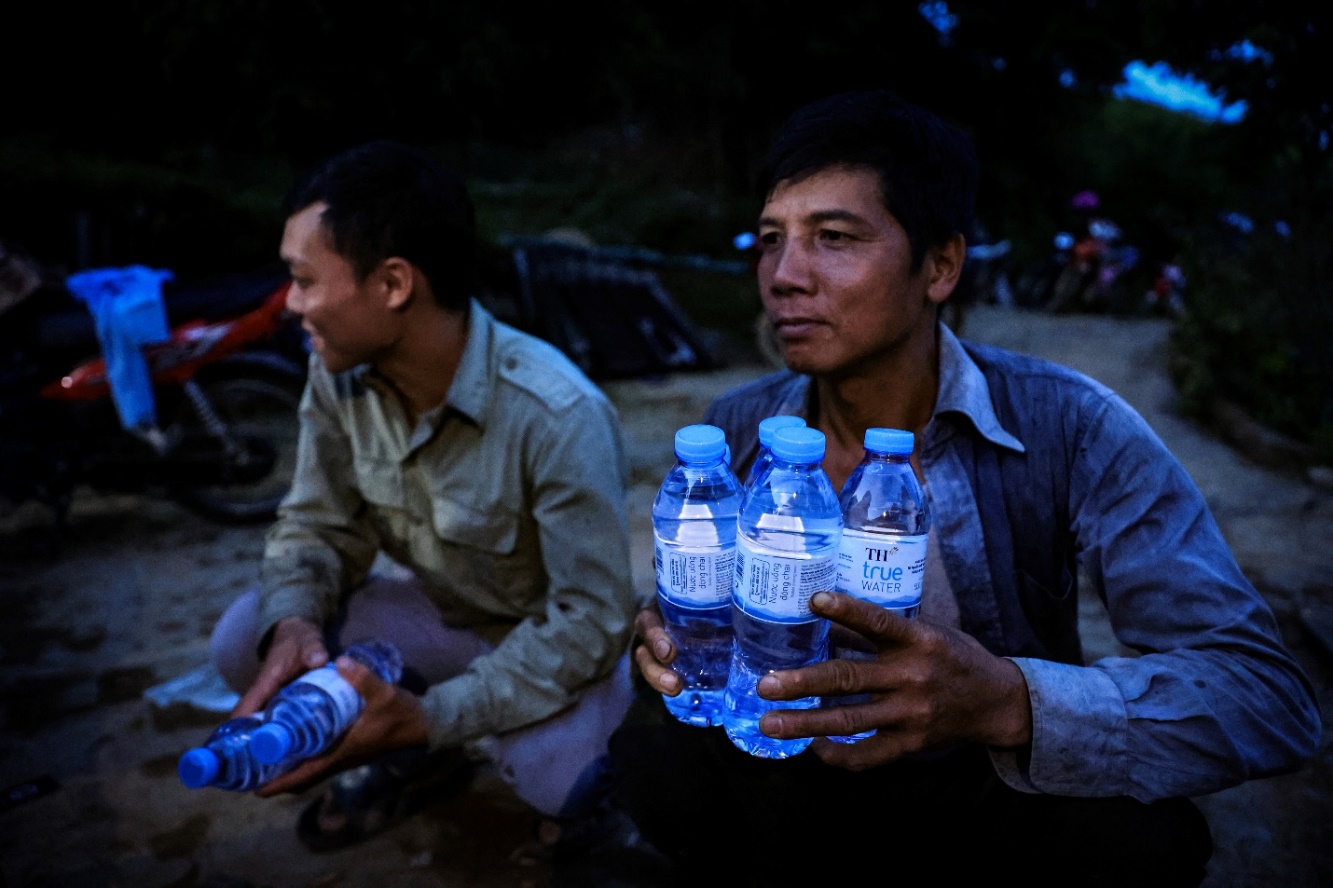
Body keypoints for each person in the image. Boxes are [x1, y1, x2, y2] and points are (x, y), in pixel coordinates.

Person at [609, 90, 1321, 886]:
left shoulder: (1070, 426)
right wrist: (675, 634)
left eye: (834, 238)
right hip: (786, 762)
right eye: (770, 240)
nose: (783, 276)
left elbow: (1266, 696)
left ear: (940, 265)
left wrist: (1006, 700)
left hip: (980, 783)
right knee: (647, 750)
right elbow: (700, 610)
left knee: (1144, 838)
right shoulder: (737, 430)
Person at [208, 140, 639, 854]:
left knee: (561, 781)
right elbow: (317, 525)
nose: (291, 305)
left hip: (541, 644)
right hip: (443, 620)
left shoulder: (557, 411)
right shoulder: (337, 375)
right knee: (246, 639)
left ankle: (521, 778)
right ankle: (415, 755)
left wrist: (432, 715)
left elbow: (589, 621)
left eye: (305, 279)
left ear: (393, 284)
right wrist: (295, 621)